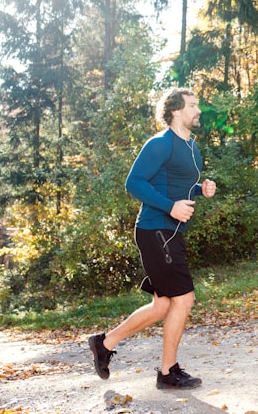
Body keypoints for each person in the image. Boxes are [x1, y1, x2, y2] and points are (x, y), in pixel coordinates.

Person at [89, 87, 217, 389]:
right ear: (175, 110)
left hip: (170, 232)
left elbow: (177, 183)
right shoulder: (160, 143)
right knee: (184, 299)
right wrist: (171, 207)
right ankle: (167, 372)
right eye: (193, 105)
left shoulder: (191, 147)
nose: (198, 110)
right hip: (155, 229)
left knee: (162, 306)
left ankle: (104, 344)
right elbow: (133, 182)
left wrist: (201, 189)